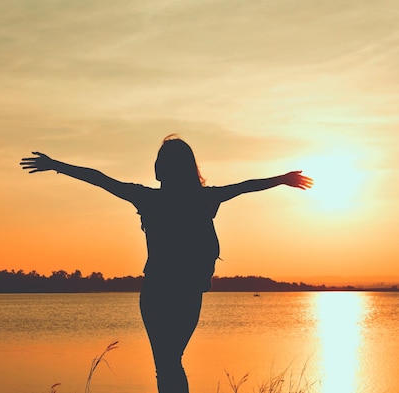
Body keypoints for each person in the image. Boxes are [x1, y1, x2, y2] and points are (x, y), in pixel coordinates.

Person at [20, 134, 313, 393]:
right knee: (170, 361)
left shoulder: (149, 198)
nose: (157, 164)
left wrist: (55, 164)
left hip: (160, 291)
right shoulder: (201, 198)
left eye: (160, 160)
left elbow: (100, 179)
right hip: (183, 292)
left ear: (164, 168)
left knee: (167, 362)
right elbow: (247, 186)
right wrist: (283, 179)